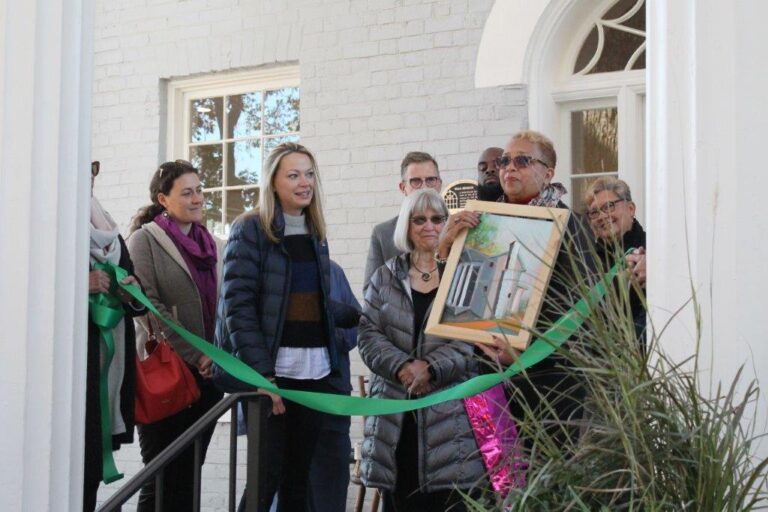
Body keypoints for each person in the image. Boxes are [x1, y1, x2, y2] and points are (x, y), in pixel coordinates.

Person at [214, 142, 359, 512]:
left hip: (314, 376)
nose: (304, 182)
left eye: (309, 174)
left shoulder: (315, 232)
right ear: (273, 182)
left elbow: (306, 302)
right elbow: (238, 308)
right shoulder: (249, 229)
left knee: (299, 481)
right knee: (265, 482)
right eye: (293, 175)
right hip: (272, 379)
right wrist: (263, 378)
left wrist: (359, 316)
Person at [438, 130, 594, 445]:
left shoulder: (569, 224)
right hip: (486, 371)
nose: (509, 167)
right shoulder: (483, 220)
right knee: (497, 475)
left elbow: (581, 308)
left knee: (544, 481)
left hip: (550, 380)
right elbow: (458, 299)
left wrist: (525, 350)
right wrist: (444, 250)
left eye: (523, 160)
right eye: (505, 161)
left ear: (548, 172)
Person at [359, 189, 486, 512]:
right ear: (406, 225)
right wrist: (403, 367)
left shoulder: (464, 272)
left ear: (449, 223)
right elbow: (369, 336)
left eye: (437, 218)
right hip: (395, 422)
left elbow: (469, 340)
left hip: (451, 420)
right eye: (419, 219)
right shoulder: (384, 276)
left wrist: (430, 369)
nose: (429, 226)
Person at [127, 160, 225, 512]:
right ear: (163, 199)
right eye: (187, 192)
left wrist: (217, 356)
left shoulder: (213, 245)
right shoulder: (144, 241)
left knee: (188, 479)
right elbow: (148, 307)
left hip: (208, 380)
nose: (197, 198)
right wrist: (196, 353)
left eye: (200, 190)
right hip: (166, 375)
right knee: (160, 479)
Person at [84, 160, 145, 512]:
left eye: (93, 166)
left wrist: (130, 291)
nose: (91, 174)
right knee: (80, 459)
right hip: (79, 369)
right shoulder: (54, 220)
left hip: (112, 363)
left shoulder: (105, 223)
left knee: (93, 463)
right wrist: (82, 286)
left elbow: (133, 286)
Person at [307, 260, 360, 512]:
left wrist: (324, 332)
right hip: (283, 399)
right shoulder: (264, 269)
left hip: (333, 396)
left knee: (330, 488)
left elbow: (357, 328)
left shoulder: (332, 270)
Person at [363, 151, 442, 287]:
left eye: (430, 180)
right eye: (416, 181)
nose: (424, 187)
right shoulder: (383, 233)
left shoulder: (456, 229)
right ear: (403, 187)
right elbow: (371, 290)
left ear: (439, 184)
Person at [584, 176, 646, 343]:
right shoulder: (587, 260)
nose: (602, 216)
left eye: (609, 206)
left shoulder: (651, 253)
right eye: (594, 212)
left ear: (631, 208)